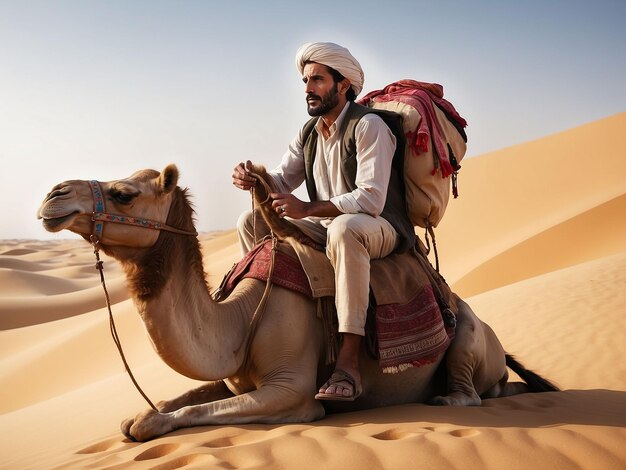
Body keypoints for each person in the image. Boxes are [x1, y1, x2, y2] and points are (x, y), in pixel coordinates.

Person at [232, 42, 414, 401]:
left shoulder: (369, 126)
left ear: (343, 84)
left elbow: (371, 199)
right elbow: (282, 182)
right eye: (305, 80)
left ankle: (348, 363)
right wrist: (253, 178)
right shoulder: (309, 132)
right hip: (327, 224)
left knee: (346, 231)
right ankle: (263, 320)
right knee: (250, 222)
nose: (308, 89)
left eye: (317, 79)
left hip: (378, 226)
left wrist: (307, 210)